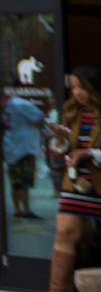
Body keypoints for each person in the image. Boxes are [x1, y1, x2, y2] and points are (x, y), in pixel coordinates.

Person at [35, 67, 101, 292]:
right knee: (64, 232)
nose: (77, 93)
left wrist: (91, 153)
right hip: (75, 184)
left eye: (81, 87)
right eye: (73, 87)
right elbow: (66, 149)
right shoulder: (72, 113)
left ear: (95, 88)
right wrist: (59, 141)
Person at [4, 91, 43, 220]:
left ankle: (20, 210)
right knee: (21, 182)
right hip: (20, 147)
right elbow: (39, 118)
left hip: (17, 146)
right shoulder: (17, 104)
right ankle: (24, 210)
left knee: (17, 181)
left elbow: (38, 117)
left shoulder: (15, 105)